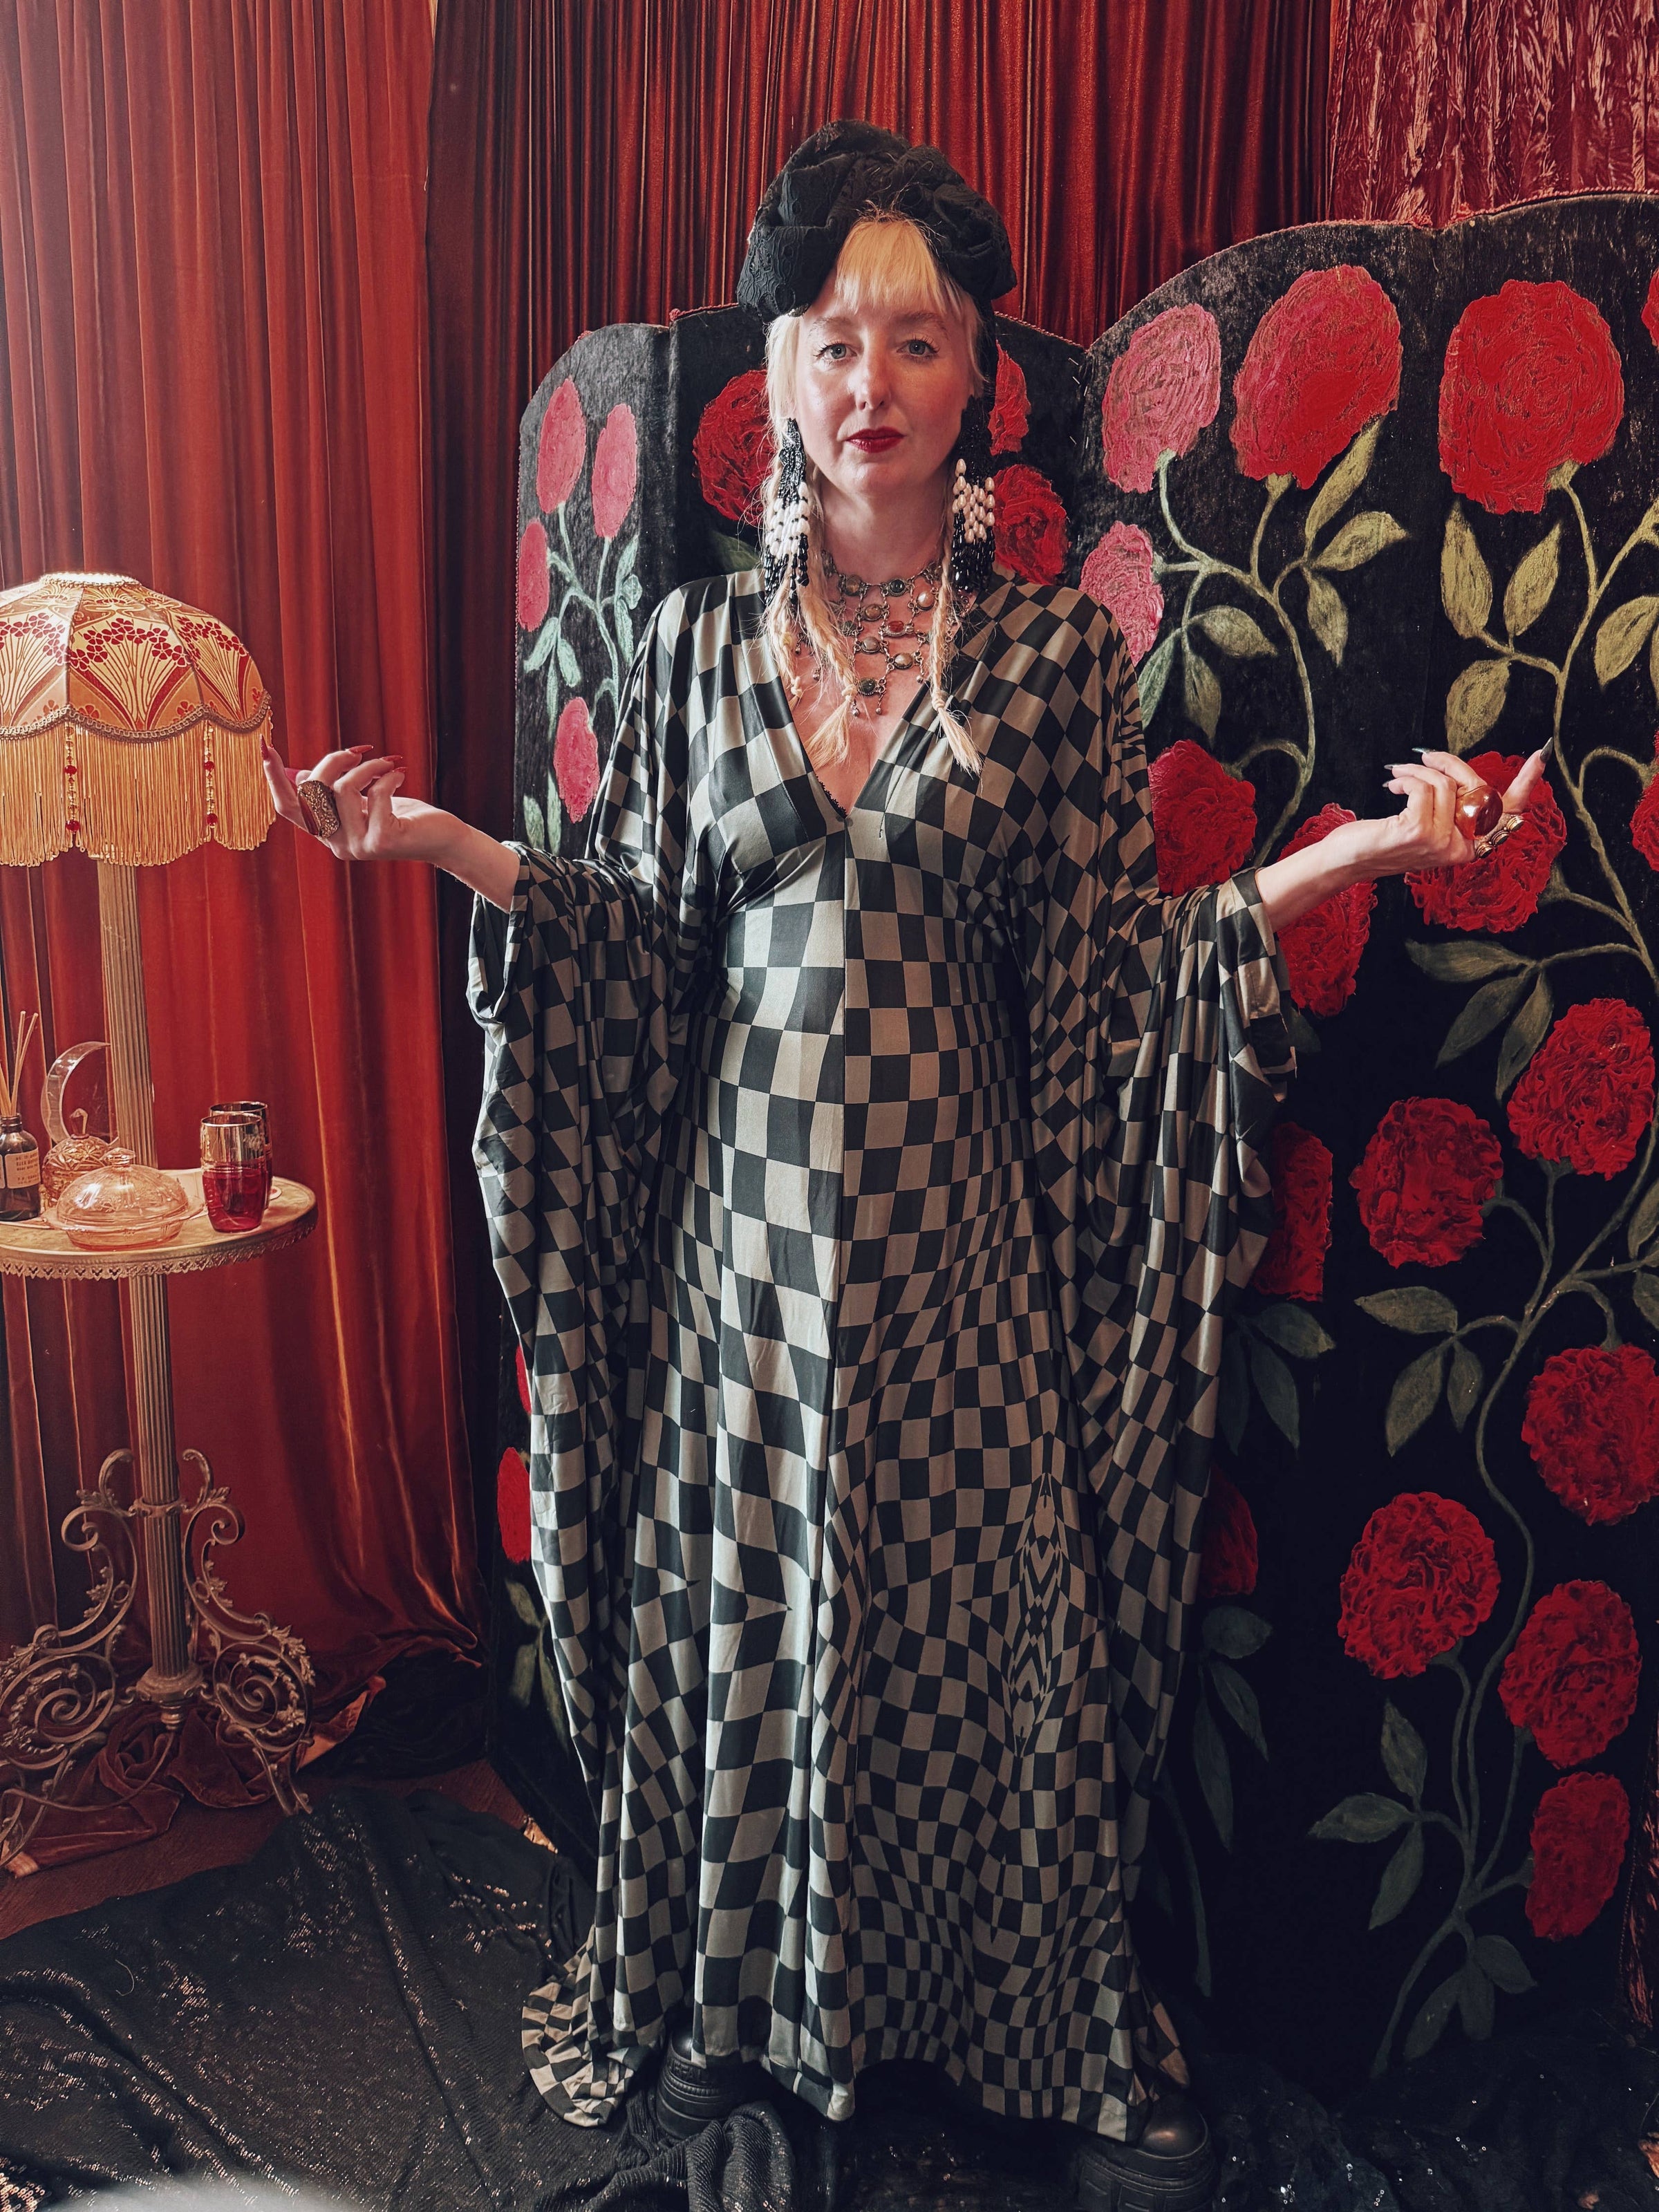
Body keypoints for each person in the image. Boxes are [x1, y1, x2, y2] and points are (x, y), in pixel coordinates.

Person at [264, 122, 1547, 2212]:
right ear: (777, 369)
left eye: (920, 339)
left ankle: (1010, 2029)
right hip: (742, 1277)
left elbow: (1127, 980)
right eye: (833, 336)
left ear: (978, 381)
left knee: (977, 1653)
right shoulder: (689, 648)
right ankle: (752, 2021)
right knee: (758, 1634)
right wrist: (433, 845)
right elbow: (632, 951)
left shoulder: (1054, 663)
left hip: (964, 1268)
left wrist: (1374, 854)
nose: (873, 380)